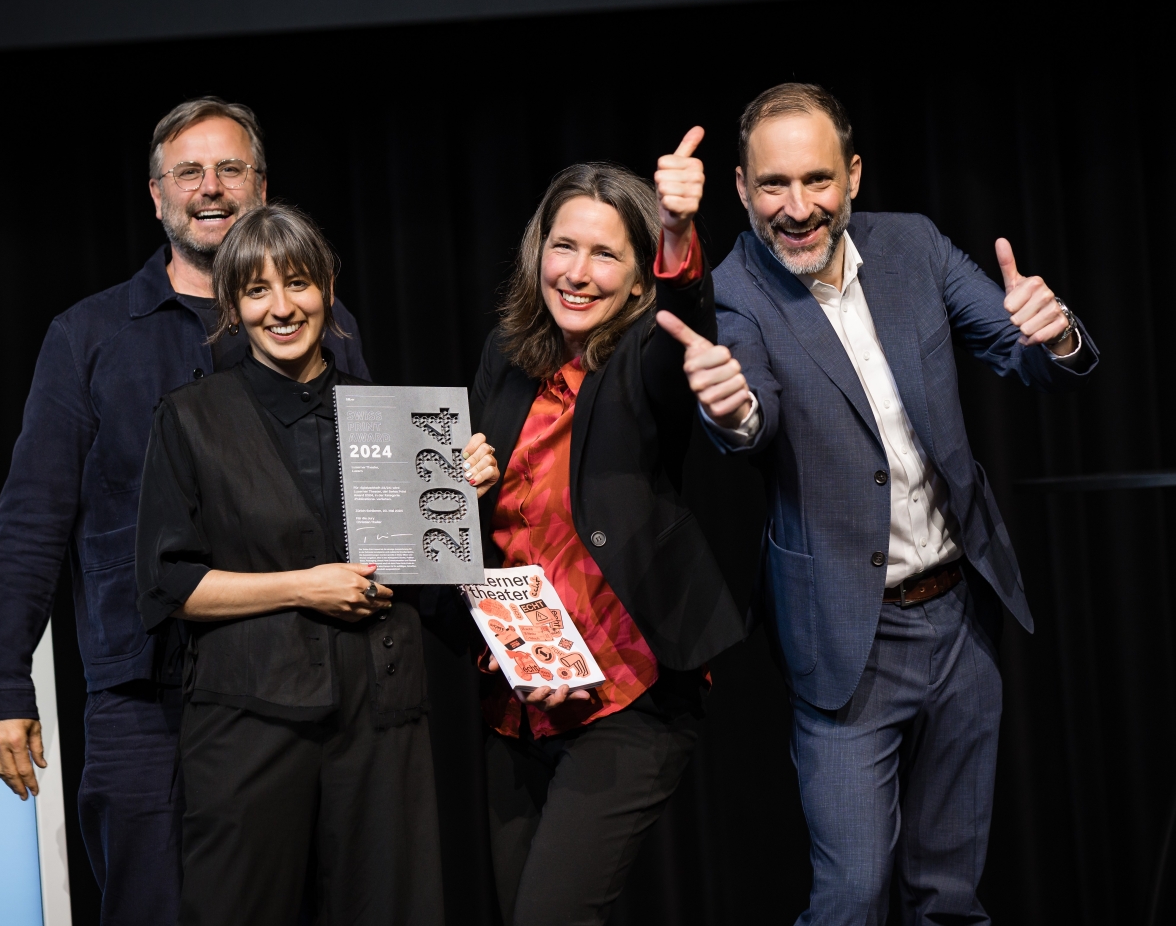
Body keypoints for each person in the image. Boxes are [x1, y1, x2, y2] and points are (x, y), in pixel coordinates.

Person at [658, 83, 1098, 925]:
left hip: (962, 618)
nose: (798, 208)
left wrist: (1058, 330)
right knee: (853, 896)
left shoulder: (914, 247)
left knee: (950, 897)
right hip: (846, 639)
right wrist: (730, 405)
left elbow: (1025, 351)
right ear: (743, 190)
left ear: (853, 176)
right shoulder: (737, 292)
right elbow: (753, 418)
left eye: (817, 180)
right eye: (774, 186)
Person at [0, 97, 369, 925]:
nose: (211, 188)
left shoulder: (326, 326)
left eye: (231, 170)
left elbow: (369, 488)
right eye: (189, 172)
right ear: (157, 196)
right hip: (145, 695)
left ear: (263, 189)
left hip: (299, 684)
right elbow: (34, 519)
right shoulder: (89, 336)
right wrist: (2, 681)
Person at [135, 203, 493, 925]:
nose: (281, 307)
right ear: (233, 305)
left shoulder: (396, 416)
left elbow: (432, 583)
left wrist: (463, 495)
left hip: (381, 716)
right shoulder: (191, 417)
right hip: (248, 721)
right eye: (257, 290)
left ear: (328, 287)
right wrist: (306, 586)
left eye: (296, 283)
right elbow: (171, 585)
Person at [468, 135, 744, 926]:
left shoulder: (648, 356)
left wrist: (680, 237)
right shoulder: (505, 355)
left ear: (635, 283)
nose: (577, 273)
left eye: (605, 256)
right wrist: (461, 483)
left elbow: (686, 314)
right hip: (517, 700)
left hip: (628, 697)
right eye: (563, 246)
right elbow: (490, 528)